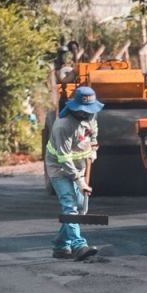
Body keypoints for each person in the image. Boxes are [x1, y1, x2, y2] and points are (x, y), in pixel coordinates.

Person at [45, 86, 103, 260]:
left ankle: (60, 245)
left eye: (90, 110)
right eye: (83, 111)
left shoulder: (91, 116)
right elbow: (64, 158)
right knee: (70, 206)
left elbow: (93, 133)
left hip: (80, 166)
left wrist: (94, 149)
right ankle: (79, 245)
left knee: (78, 207)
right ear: (74, 107)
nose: (87, 114)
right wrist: (81, 181)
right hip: (59, 169)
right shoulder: (62, 126)